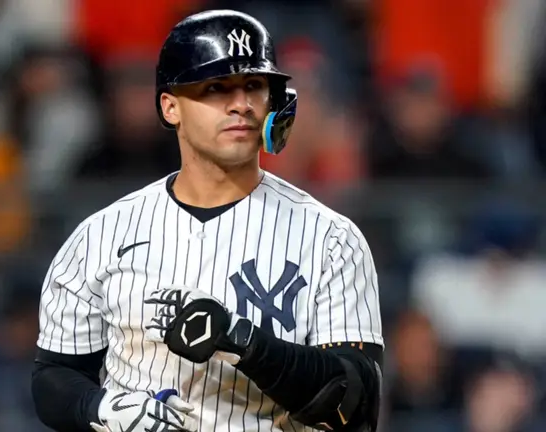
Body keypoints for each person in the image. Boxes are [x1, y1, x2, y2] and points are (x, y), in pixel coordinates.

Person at [31, 10, 383, 432]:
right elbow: (54, 376)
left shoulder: (331, 238)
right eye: (216, 88)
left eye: (254, 86)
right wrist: (100, 408)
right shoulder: (101, 235)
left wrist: (241, 340)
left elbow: (356, 404)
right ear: (170, 107)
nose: (241, 104)